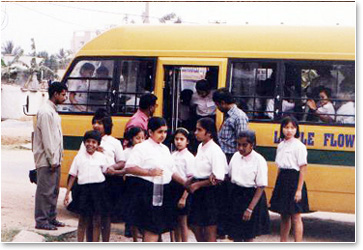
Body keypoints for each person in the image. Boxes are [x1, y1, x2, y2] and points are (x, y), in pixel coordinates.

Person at [121, 117, 186, 242]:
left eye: (165, 132)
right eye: (160, 132)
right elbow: (129, 167)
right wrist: (148, 172)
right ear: (150, 132)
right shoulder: (141, 147)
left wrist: (185, 182)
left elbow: (171, 170)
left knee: (157, 229)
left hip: (163, 191)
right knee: (152, 229)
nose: (163, 135)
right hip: (146, 191)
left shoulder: (165, 149)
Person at [67, 108, 126, 242]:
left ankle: (104, 242)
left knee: (105, 215)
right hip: (90, 182)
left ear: (107, 125)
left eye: (100, 123)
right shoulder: (88, 141)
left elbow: (122, 162)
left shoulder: (114, 142)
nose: (96, 125)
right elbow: (79, 159)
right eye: (94, 122)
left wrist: (112, 167)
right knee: (89, 214)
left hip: (109, 181)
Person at [212, 87, 249, 238]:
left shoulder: (238, 116)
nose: (217, 108)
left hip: (231, 158)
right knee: (222, 194)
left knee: (228, 194)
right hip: (224, 157)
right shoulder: (229, 115)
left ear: (222, 103)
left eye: (217, 105)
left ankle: (227, 228)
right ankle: (222, 228)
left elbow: (243, 142)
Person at [64, 130, 111, 242]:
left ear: (98, 144)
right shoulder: (79, 157)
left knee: (97, 220)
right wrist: (67, 193)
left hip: (98, 190)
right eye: (88, 141)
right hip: (83, 190)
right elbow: (73, 175)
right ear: (84, 143)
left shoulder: (101, 157)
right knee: (82, 220)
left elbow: (106, 171)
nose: (90, 144)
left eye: (94, 142)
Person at [33, 81, 68, 230]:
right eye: (63, 95)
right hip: (47, 160)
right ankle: (41, 221)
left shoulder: (53, 111)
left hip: (54, 159)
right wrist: (52, 160)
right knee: (45, 192)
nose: (65, 98)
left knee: (54, 191)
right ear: (55, 94)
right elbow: (47, 139)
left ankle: (51, 218)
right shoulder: (46, 112)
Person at [269, 116, 310, 242]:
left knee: (296, 216)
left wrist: (299, 190)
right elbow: (279, 168)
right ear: (282, 129)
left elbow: (302, 168)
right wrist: (277, 186)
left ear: (296, 130)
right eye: (286, 127)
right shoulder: (280, 145)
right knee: (284, 216)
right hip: (282, 180)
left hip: (294, 180)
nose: (289, 130)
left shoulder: (299, 146)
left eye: (292, 128)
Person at [187, 118, 228, 242]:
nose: (196, 132)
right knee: (195, 224)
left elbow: (219, 177)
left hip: (210, 193)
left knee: (210, 228)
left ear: (209, 133)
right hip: (199, 190)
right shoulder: (201, 146)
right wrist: (192, 180)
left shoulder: (215, 151)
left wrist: (199, 184)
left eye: (199, 130)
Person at [226, 130, 270, 242]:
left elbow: (261, 186)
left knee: (248, 235)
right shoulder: (235, 156)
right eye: (238, 144)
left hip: (251, 197)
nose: (240, 148)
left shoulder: (259, 160)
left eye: (244, 145)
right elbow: (229, 176)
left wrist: (250, 209)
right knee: (235, 234)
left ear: (252, 145)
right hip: (236, 195)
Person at [170, 128, 195, 242]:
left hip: (184, 190)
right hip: (173, 189)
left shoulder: (189, 157)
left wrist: (184, 198)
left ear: (187, 141)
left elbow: (190, 179)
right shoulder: (173, 154)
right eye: (176, 139)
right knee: (175, 222)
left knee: (183, 222)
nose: (178, 142)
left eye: (181, 139)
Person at [122, 126, 146, 242]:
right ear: (131, 139)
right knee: (131, 208)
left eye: (143, 138)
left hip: (143, 182)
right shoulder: (127, 152)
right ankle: (131, 232)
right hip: (131, 183)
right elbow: (124, 168)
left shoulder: (146, 151)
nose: (140, 141)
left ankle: (141, 231)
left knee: (141, 209)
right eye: (137, 138)